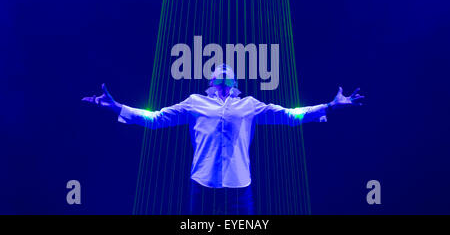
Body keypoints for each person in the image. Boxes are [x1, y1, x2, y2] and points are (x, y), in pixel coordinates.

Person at [82, 64, 364, 214]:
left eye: (229, 77)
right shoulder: (195, 103)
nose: (224, 79)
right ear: (211, 83)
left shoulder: (249, 105)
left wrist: (328, 106)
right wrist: (118, 107)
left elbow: (291, 115)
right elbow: (155, 119)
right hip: (202, 184)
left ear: (236, 85)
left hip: (239, 188)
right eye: (219, 77)